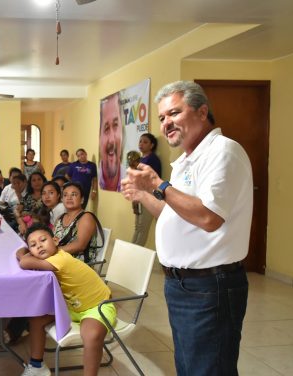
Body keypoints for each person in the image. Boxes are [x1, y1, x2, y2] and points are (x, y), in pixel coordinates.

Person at [121, 80, 252, 376]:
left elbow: (208, 217)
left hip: (210, 286)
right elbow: (173, 212)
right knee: (190, 367)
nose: (167, 123)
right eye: (162, 118)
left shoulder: (223, 152)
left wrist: (157, 184)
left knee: (208, 368)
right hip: (181, 285)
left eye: (174, 113)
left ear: (202, 111)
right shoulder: (185, 161)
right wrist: (143, 194)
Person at [16, 223, 116, 376]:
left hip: (97, 306)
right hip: (72, 306)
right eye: (33, 245)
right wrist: (25, 251)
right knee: (36, 319)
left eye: (43, 240)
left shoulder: (59, 259)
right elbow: (23, 256)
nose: (40, 246)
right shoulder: (51, 258)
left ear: (55, 240)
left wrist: (26, 252)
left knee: (91, 335)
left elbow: (23, 262)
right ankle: (37, 366)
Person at [53, 182, 103, 264]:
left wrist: (54, 251)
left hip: (79, 265)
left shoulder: (86, 217)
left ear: (82, 200)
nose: (69, 198)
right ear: (62, 199)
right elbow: (53, 240)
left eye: (74, 194)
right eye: (65, 195)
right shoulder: (60, 218)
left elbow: (80, 245)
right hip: (59, 261)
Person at [131, 133, 162, 246]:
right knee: (138, 227)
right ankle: (130, 254)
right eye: (140, 141)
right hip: (138, 197)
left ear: (152, 145)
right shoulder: (139, 160)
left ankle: (134, 258)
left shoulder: (153, 159)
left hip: (149, 197)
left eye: (145, 142)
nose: (141, 144)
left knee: (143, 229)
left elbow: (150, 181)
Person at [98, 93, 123, 192]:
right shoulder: (95, 178)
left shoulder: (131, 179)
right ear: (99, 137)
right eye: (106, 128)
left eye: (116, 125)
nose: (112, 140)